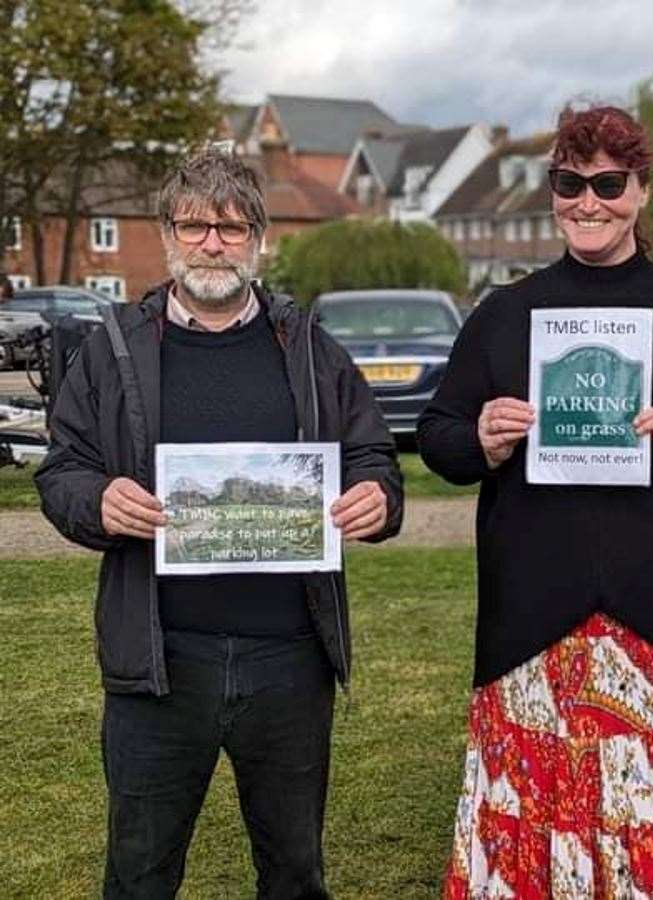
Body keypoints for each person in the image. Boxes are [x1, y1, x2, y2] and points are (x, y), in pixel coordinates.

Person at [418, 104, 653, 897]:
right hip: (532, 620)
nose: (588, 201)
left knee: (649, 833)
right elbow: (438, 438)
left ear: (642, 191)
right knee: (531, 833)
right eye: (569, 183)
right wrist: (478, 436)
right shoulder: (505, 315)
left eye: (609, 183)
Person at [35, 148, 404, 898]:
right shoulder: (114, 349)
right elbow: (60, 470)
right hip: (160, 662)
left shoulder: (307, 346)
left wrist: (377, 497)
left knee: (295, 872)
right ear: (168, 233)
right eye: (196, 225)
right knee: (140, 872)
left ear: (259, 239)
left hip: (289, 663)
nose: (213, 243)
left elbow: (374, 455)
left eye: (232, 228)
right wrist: (98, 501)